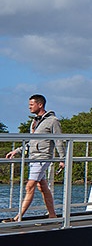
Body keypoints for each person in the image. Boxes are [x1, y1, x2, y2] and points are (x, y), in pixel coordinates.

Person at [3, 94, 64, 222]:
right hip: (33, 157)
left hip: (43, 158)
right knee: (42, 187)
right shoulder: (35, 121)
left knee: (29, 186)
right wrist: (17, 151)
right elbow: (31, 142)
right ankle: (52, 215)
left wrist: (62, 159)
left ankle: (18, 217)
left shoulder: (53, 121)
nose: (29, 107)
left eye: (31, 104)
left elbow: (59, 140)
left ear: (40, 104)